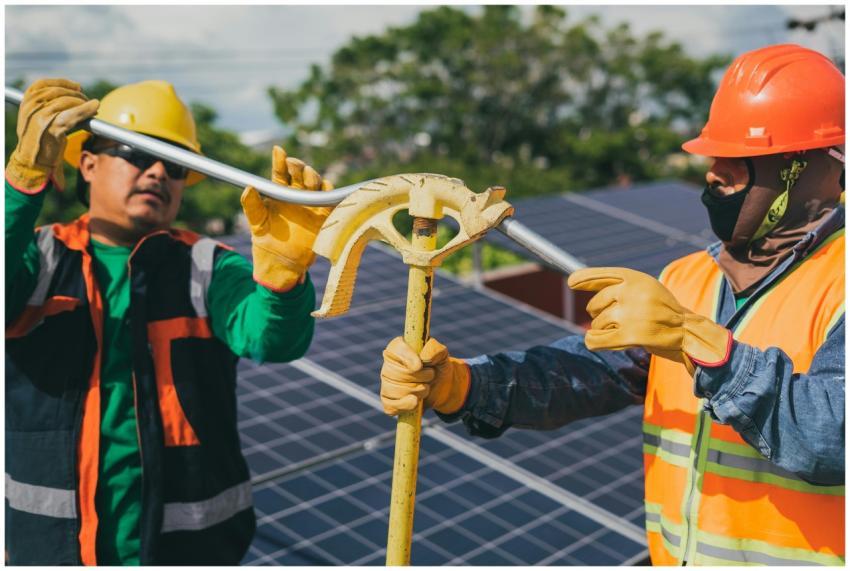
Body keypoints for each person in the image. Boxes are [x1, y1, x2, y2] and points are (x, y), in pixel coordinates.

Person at [378, 44, 845, 565]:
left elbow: (831, 437)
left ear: (799, 171)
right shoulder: (687, 279)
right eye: (713, 157)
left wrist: (696, 339)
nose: (713, 174)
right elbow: (593, 371)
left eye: (735, 162)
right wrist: (462, 385)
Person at [5, 79, 333, 565]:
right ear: (88, 163)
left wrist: (284, 278)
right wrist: (21, 183)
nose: (159, 171)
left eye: (175, 164)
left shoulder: (209, 266)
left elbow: (272, 339)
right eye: (137, 153)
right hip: (49, 552)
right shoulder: (38, 258)